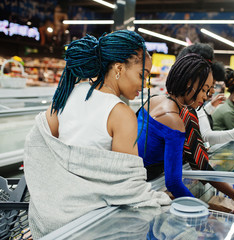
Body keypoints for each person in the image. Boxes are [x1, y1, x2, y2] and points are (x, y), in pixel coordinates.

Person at [23, 30, 171, 239]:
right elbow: (127, 186)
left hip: (52, 222)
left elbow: (42, 142)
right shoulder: (121, 114)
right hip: (91, 225)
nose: (144, 85)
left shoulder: (67, 94)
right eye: (142, 76)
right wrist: (161, 197)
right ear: (119, 68)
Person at [177, 45, 234, 217]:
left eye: (210, 88)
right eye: (205, 89)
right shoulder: (179, 113)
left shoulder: (182, 109)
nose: (209, 95)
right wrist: (202, 210)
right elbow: (199, 161)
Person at [137, 53, 213, 198]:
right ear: (189, 84)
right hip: (143, 187)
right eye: (204, 89)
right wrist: (200, 210)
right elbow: (173, 183)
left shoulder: (153, 100)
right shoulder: (173, 120)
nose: (205, 96)